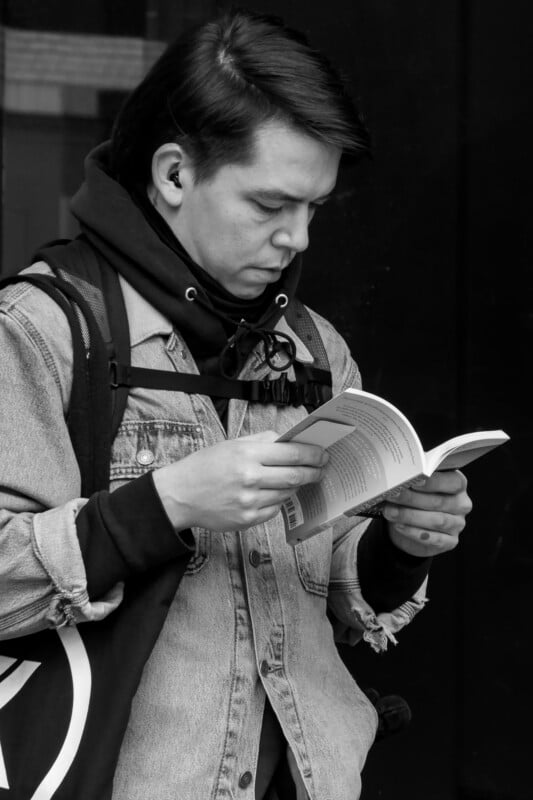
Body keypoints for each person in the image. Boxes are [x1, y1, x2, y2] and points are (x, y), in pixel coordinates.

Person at [0, 8, 472, 800]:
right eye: (269, 205)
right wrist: (167, 505)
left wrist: (401, 547)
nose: (298, 239)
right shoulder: (40, 330)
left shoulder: (314, 349)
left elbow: (335, 594)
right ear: (173, 175)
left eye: (314, 209)